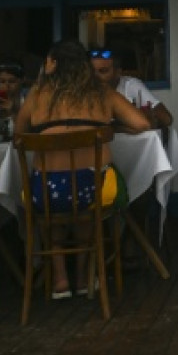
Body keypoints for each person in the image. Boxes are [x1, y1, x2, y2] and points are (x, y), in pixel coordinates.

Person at [14, 39, 152, 297]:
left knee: (51, 203)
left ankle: (60, 279)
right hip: (92, 190)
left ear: (53, 63)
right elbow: (142, 124)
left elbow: (18, 137)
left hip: (44, 193)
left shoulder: (37, 94)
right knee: (91, 201)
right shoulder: (101, 91)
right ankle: (83, 276)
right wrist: (109, 129)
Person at [90, 49, 174, 131]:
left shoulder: (130, 85)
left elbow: (166, 119)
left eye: (103, 71)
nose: (95, 76)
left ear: (118, 73)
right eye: (91, 71)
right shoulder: (84, 90)